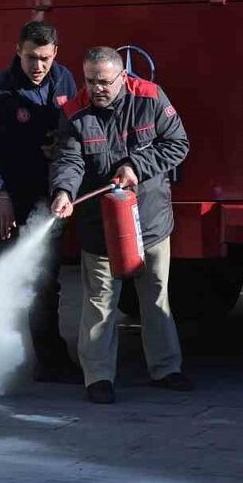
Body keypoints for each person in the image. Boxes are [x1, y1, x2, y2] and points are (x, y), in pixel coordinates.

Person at [50, 46, 193, 404]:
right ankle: (98, 378)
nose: (96, 88)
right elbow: (68, 160)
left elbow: (178, 144)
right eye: (90, 81)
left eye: (104, 82)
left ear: (122, 77)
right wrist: (64, 191)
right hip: (100, 225)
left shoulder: (150, 98)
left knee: (155, 295)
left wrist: (135, 166)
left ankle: (166, 369)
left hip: (150, 219)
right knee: (100, 301)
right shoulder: (74, 112)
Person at [0, 20, 80, 383]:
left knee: (46, 279)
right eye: (31, 58)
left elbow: (77, 130)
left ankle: (50, 361)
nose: (38, 67)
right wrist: (0, 195)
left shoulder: (65, 81)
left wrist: (58, 149)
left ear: (55, 54)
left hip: (48, 195)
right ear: (18, 51)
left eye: (45, 59)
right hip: (6, 197)